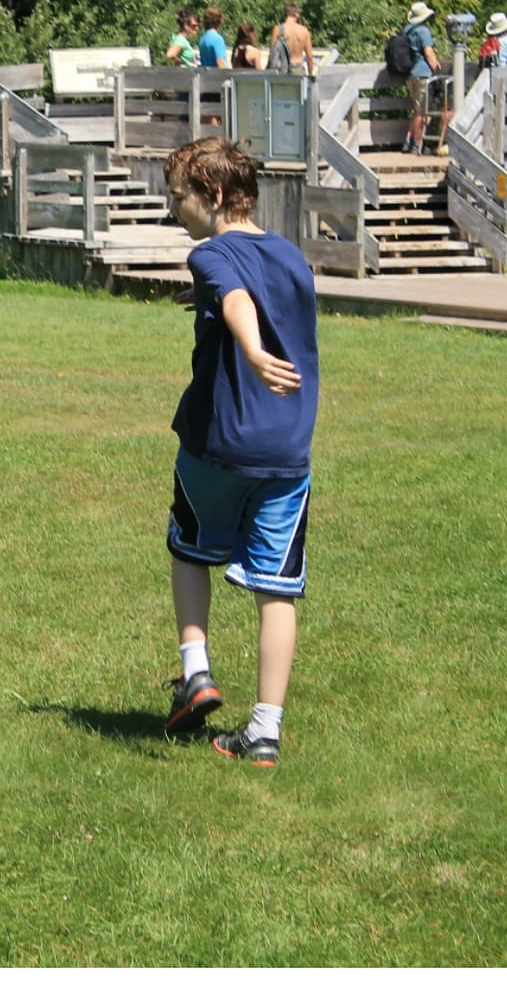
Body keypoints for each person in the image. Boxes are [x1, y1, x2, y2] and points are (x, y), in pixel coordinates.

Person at [161, 138, 319, 769]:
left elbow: (237, 300)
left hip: (218, 445)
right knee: (276, 589)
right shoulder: (292, 255)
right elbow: (261, 299)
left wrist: (250, 350)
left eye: (179, 198)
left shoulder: (212, 254)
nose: (175, 211)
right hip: (287, 453)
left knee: (187, 548)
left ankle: (196, 673)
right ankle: (265, 729)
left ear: (216, 197)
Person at [400, 1, 444, 153]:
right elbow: (428, 53)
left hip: (409, 74)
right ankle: (417, 144)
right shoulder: (423, 31)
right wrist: (436, 70)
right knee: (422, 112)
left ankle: (408, 141)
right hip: (423, 74)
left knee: (417, 110)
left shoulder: (407, 30)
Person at [268, 4, 316, 77]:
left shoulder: (278, 29)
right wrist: (310, 74)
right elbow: (309, 56)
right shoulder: (304, 31)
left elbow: (272, 51)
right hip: (298, 69)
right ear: (297, 14)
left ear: (285, 15)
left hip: (282, 70)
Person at [197, 5, 230, 70]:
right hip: (218, 78)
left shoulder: (202, 39)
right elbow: (220, 63)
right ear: (219, 21)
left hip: (207, 76)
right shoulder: (217, 39)